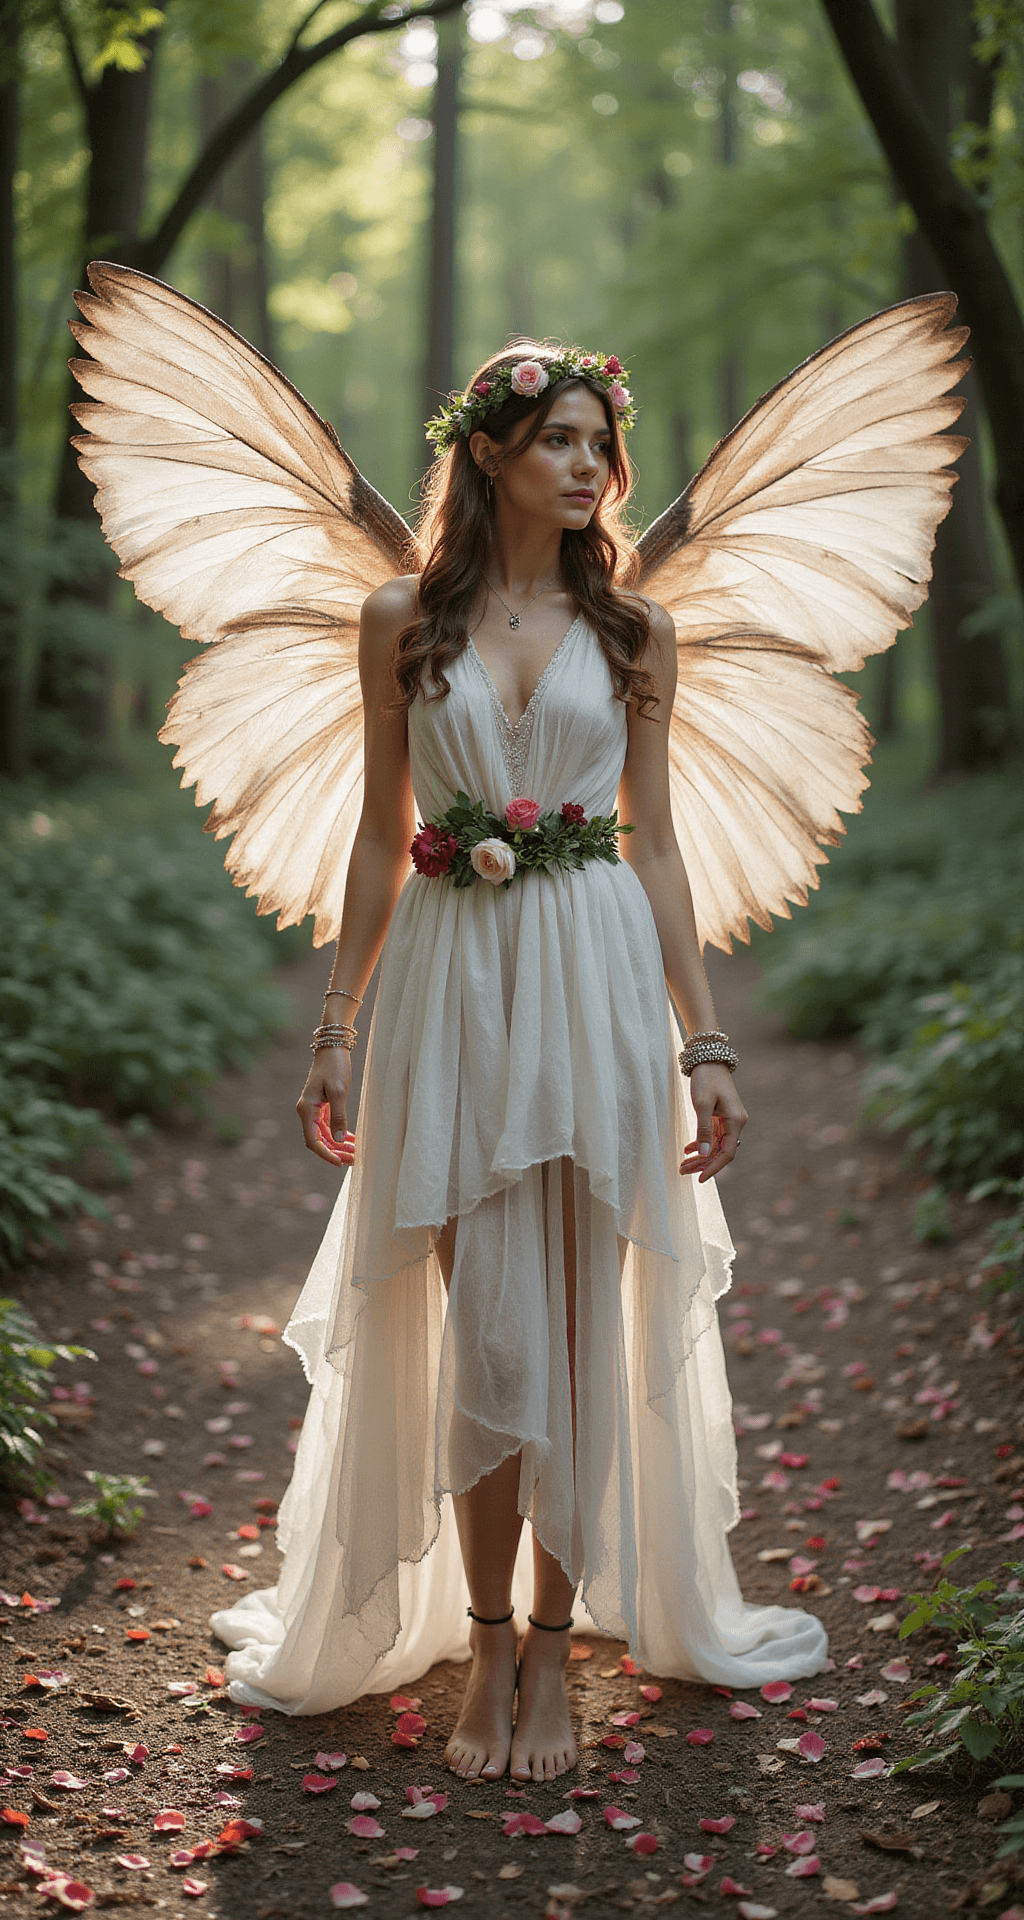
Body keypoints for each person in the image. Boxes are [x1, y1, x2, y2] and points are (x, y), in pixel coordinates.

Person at [210, 343, 828, 1780]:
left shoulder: (636, 632)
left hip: (599, 978)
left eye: (597, 443)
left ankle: (555, 1657)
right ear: (486, 452)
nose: (586, 465)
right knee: (486, 1339)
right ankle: (484, 1646)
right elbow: (375, 838)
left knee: (579, 1335)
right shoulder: (399, 621)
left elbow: (658, 845)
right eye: (556, 438)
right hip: (450, 984)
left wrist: (708, 1042)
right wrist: (336, 1028)